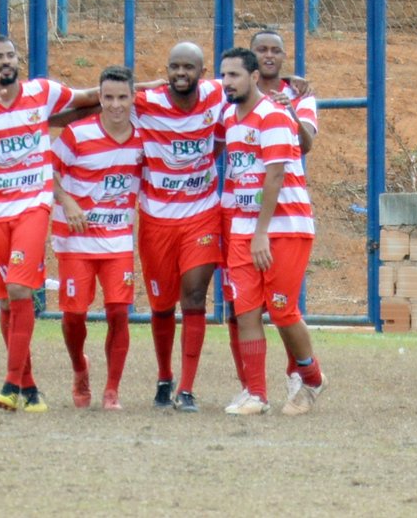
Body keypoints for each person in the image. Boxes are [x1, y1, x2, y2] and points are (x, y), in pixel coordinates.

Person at [0, 34, 99, 413]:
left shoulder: (41, 92)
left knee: (19, 287)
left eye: (11, 55)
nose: (6, 61)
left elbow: (87, 97)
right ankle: (29, 387)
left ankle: (10, 383)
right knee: (5, 299)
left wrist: (142, 89)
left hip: (34, 205)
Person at [217, 47, 326, 416]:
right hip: (246, 227)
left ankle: (312, 378)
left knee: (281, 310)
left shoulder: (274, 116)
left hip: (285, 226)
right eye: (223, 76)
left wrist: (260, 233)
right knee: (245, 310)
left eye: (234, 75)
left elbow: (275, 176)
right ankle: (257, 395)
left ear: (252, 77)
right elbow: (237, 176)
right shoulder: (231, 120)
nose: (227, 83)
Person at [133, 42, 227, 412]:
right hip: (156, 220)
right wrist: (141, 85)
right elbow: (111, 97)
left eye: (188, 67)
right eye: (174, 67)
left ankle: (187, 389)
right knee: (160, 306)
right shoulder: (149, 102)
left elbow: (253, 80)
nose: (180, 74)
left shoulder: (216, 95)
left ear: (202, 73)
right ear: (166, 70)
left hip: (201, 214)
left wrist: (292, 83)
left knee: (194, 298)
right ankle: (164, 376)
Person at [51, 65, 143, 411]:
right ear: (99, 98)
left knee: (119, 312)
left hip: (118, 240)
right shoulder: (77, 134)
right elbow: (48, 171)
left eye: (122, 97)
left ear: (134, 98)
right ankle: (80, 369)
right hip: (75, 240)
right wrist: (68, 200)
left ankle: (112, 390)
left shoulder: (143, 139)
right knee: (74, 316)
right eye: (108, 97)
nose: (116, 105)